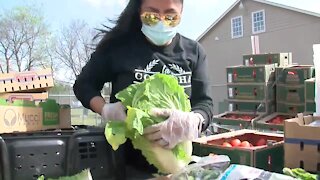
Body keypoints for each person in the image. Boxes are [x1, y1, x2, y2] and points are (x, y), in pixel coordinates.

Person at [73, 0, 213, 176]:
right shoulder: (119, 48)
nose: (161, 22)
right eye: (151, 16)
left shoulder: (194, 51)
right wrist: (106, 110)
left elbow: (204, 103)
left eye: (171, 17)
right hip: (127, 168)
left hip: (182, 166)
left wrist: (193, 121)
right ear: (139, 12)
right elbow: (84, 84)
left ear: (181, 14)